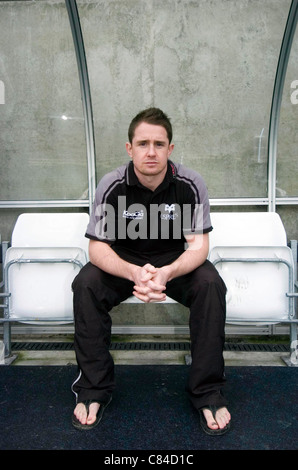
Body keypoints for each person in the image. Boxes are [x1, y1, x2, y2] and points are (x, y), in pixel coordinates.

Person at [71, 107, 231, 435]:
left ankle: (207, 391)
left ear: (170, 149)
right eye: (143, 143)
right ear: (129, 148)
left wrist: (167, 272)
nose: (151, 152)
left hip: (174, 262)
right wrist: (133, 273)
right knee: (85, 283)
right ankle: (93, 389)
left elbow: (199, 246)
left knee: (211, 285)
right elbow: (98, 248)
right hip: (124, 261)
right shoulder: (112, 185)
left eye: (159, 144)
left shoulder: (190, 183)